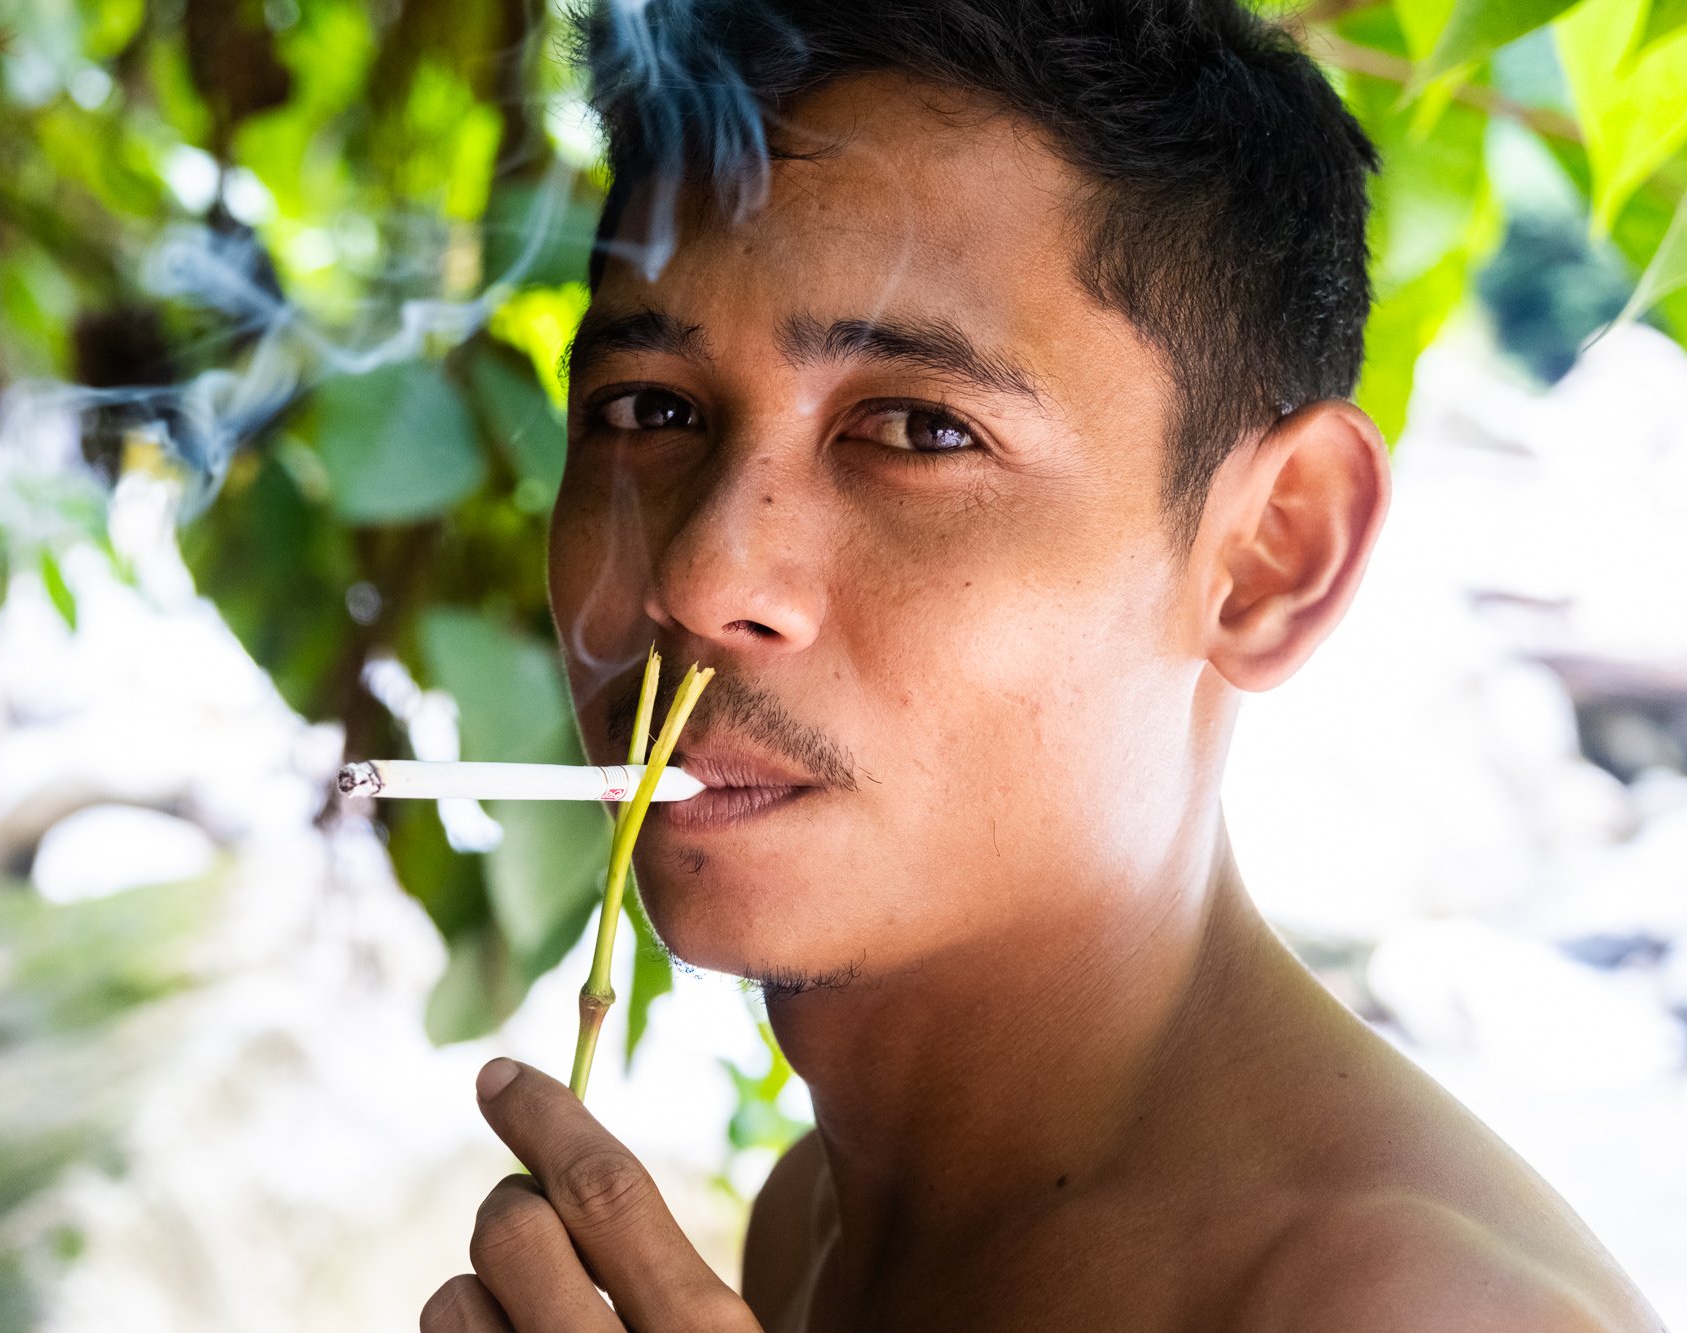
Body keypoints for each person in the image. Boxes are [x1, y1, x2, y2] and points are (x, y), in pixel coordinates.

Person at [422, 1, 1665, 1328]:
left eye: (915, 429)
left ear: (1269, 554)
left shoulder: (1401, 1310)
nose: (700, 581)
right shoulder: (811, 1225)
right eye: (649, 409)